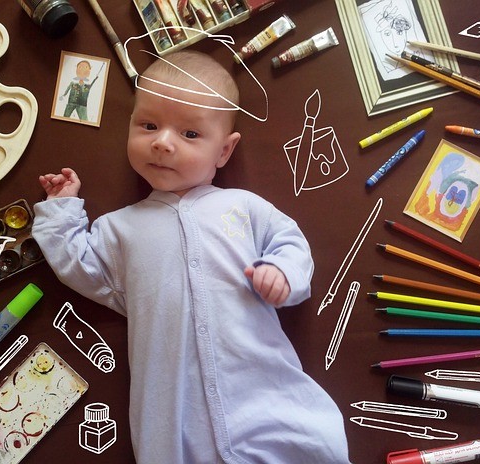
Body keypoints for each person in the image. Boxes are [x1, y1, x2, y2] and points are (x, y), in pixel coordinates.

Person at [32, 50, 351, 463]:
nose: (162, 142)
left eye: (190, 134)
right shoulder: (119, 228)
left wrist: (282, 271)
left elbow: (289, 240)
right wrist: (61, 209)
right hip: (176, 424)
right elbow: (78, 266)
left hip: (265, 399)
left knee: (309, 445)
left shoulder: (242, 206)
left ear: (224, 151)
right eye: (148, 126)